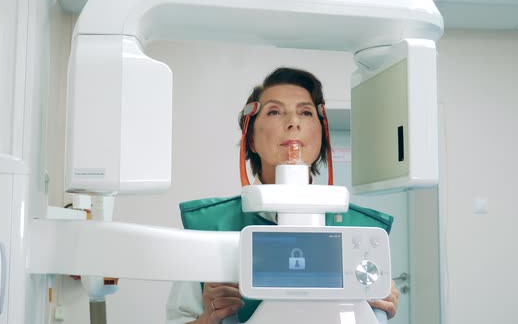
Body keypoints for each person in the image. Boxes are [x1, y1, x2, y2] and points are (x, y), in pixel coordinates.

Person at [166, 67, 399, 324]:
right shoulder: (209, 226)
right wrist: (208, 318)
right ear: (251, 138)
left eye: (306, 112)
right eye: (275, 111)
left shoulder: (363, 229)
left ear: (321, 135)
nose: (293, 122)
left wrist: (381, 305)